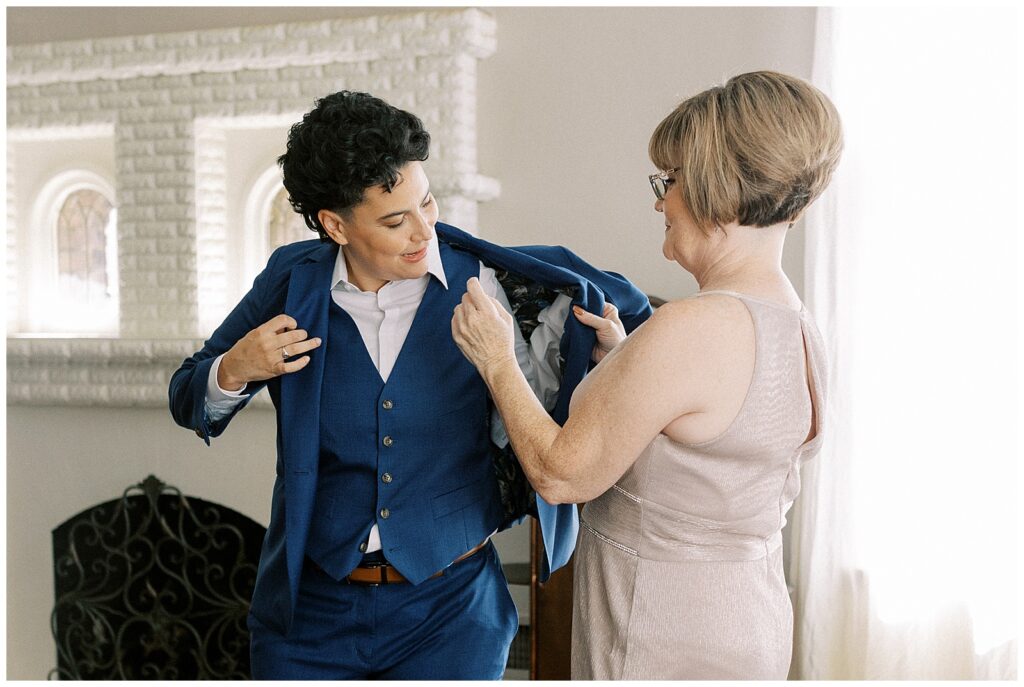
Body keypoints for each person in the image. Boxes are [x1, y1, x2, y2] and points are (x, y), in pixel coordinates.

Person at [167, 91, 652, 679]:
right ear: (334, 224)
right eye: (396, 220)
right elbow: (188, 396)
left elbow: (569, 382)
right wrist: (236, 368)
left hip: (452, 617)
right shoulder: (291, 283)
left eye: (427, 203)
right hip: (309, 619)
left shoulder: (487, 285)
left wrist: (610, 355)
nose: (425, 230)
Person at [450, 71, 843, 679]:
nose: (661, 200)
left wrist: (499, 358)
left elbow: (559, 473)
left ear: (720, 187)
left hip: (659, 628)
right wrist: (629, 355)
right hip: (751, 619)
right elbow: (714, 443)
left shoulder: (689, 329)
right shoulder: (798, 325)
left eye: (672, 180)